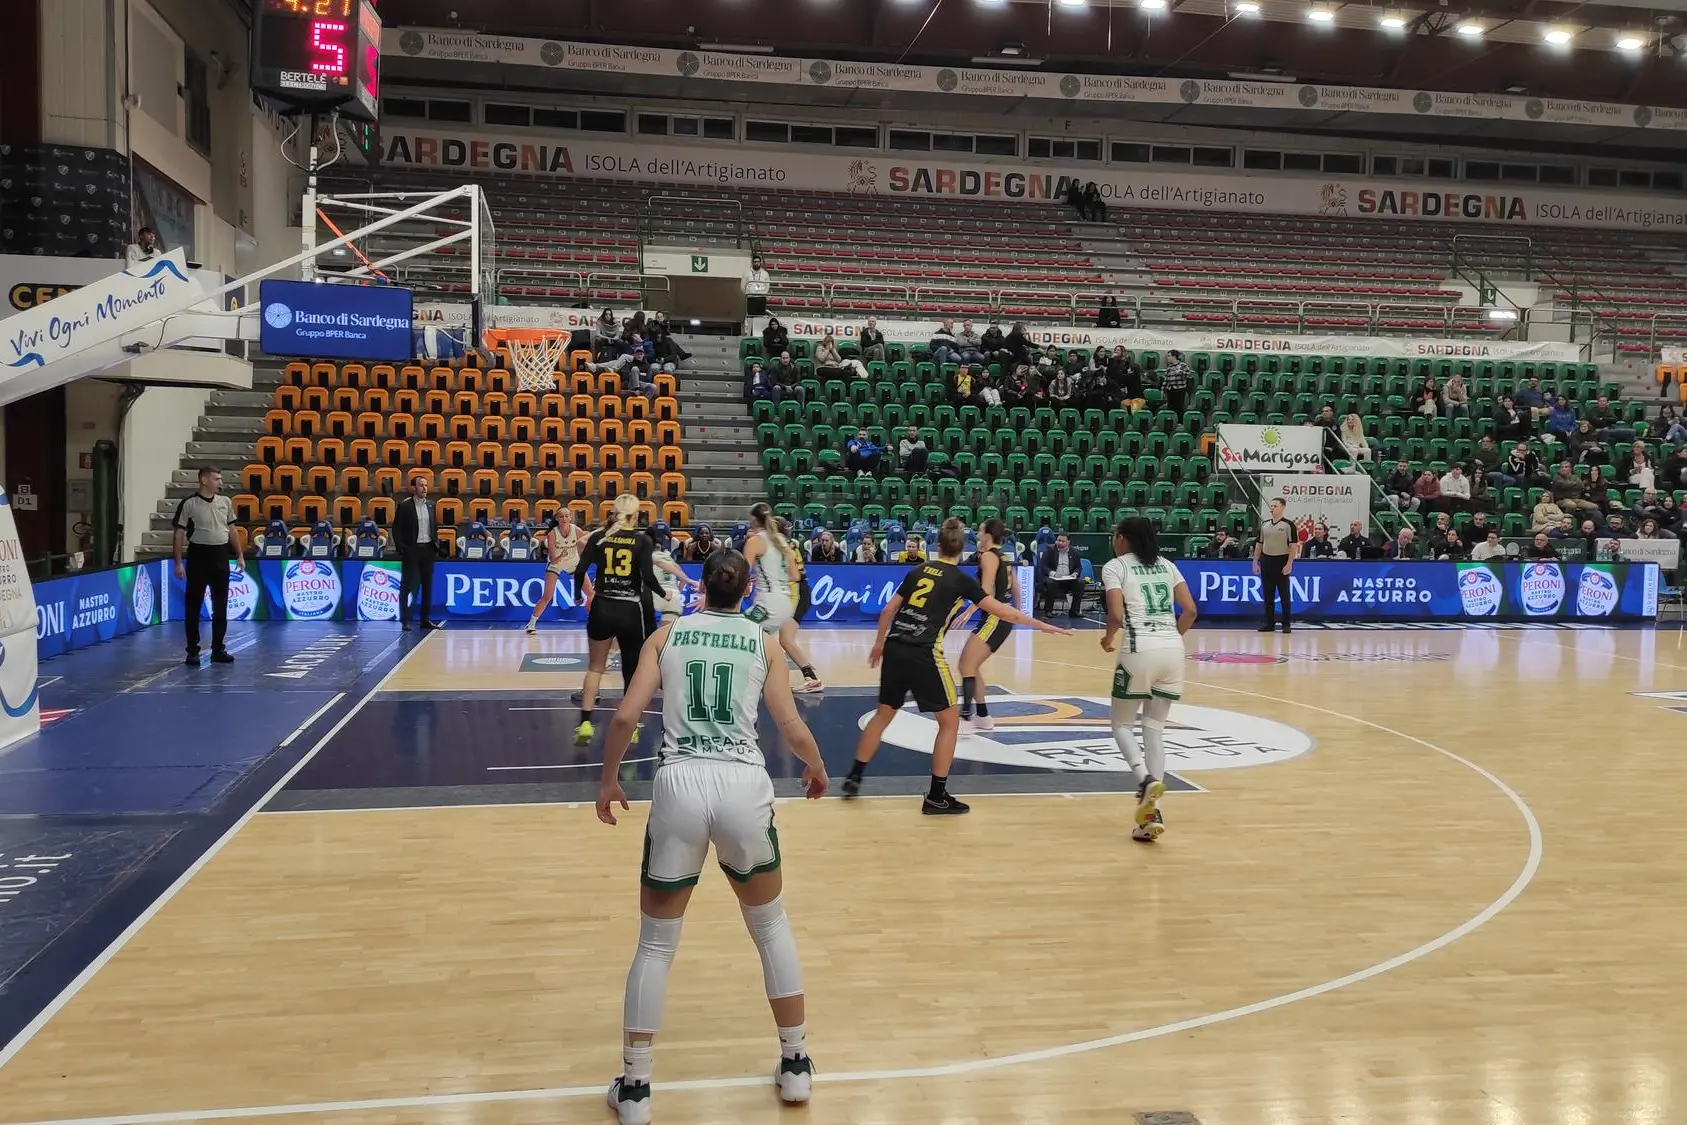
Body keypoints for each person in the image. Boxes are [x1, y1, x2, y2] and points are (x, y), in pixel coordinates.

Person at [596, 550, 825, 1124]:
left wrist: (607, 781)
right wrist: (817, 767)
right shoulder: (763, 642)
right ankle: (795, 1065)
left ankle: (637, 1089)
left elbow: (624, 718)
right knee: (771, 927)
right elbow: (791, 726)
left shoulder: (667, 636)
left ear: (700, 585)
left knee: (655, 944)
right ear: (747, 591)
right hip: (743, 783)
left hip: (680, 782)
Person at [843, 518, 1069, 813]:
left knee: (884, 714)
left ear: (936, 546)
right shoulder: (961, 580)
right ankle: (937, 796)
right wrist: (1041, 625)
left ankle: (854, 777)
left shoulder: (918, 570)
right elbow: (1004, 611)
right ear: (964, 551)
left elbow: (888, 610)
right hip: (925, 653)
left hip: (896, 646)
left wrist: (878, 644)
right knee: (949, 723)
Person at [1100, 516, 1197, 844]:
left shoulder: (1116, 566)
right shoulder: (1168, 565)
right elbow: (1190, 610)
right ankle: (1150, 817)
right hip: (1173, 650)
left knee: (1121, 725)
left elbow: (1115, 615)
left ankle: (1143, 780)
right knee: (1154, 729)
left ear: (1124, 538)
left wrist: (1108, 638)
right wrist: (1173, 637)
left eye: (1116, 535)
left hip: (1139, 648)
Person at [573, 494, 665, 746]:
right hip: (630, 610)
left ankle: (585, 723)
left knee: (595, 668)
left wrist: (577, 596)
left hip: (602, 606)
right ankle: (631, 726)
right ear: (636, 516)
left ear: (613, 513)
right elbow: (648, 577)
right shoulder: (642, 540)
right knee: (630, 671)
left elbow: (579, 570)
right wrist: (664, 593)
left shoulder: (599, 537)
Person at [742, 502, 824, 694]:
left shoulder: (755, 541)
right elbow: (795, 576)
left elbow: (743, 572)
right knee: (772, 641)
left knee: (740, 633)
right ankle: (806, 678)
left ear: (753, 519)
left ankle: (760, 681)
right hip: (786, 600)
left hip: (770, 602)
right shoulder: (782, 541)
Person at [952, 518, 1022, 733]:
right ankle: (982, 716)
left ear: (988, 535)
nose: (977, 534)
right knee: (969, 665)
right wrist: (1016, 613)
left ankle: (966, 718)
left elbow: (985, 590)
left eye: (980, 530)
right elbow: (1017, 589)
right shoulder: (1004, 557)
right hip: (1002, 617)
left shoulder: (989, 557)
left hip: (994, 618)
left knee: (966, 665)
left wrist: (969, 610)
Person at [172, 466, 242, 665]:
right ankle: (192, 650)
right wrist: (178, 563)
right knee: (193, 605)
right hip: (198, 556)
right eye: (216, 479)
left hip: (220, 555)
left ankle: (218, 649)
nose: (220, 482)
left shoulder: (225, 502)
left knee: (221, 606)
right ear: (204, 480)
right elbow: (178, 534)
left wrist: (240, 555)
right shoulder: (189, 504)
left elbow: (232, 529)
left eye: (220, 478)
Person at [525, 507, 592, 634]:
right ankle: (531, 624)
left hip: (573, 562)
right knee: (547, 596)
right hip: (556, 563)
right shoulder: (552, 534)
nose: (564, 519)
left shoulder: (577, 531)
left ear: (570, 518)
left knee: (590, 593)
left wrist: (582, 562)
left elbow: (584, 549)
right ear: (557, 518)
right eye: (561, 516)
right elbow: (552, 558)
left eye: (567, 516)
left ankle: (596, 622)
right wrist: (562, 555)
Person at [393, 473, 441, 632]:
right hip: (412, 550)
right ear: (413, 488)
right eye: (421, 485)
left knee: (427, 587)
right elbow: (397, 530)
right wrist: (402, 548)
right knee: (407, 587)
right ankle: (405, 620)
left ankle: (425, 619)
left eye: (426, 485)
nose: (425, 488)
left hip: (428, 549)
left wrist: (436, 543)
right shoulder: (405, 506)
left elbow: (434, 527)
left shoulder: (432, 505)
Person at [1253, 497, 1298, 633]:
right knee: (1268, 594)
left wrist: (1289, 563)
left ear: (1282, 507)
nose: (1272, 508)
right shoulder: (1265, 524)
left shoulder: (1288, 525)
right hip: (1267, 560)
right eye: (1271, 506)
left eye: (1275, 506)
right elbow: (1259, 544)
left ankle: (1286, 624)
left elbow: (1293, 545)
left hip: (1281, 560)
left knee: (1284, 595)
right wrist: (1255, 561)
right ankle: (1269, 623)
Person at [1039, 533, 1084, 618]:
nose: (1059, 542)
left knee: (1080, 583)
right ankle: (1048, 611)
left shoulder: (1074, 552)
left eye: (1063, 541)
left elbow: (1078, 567)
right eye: (1058, 540)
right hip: (1053, 578)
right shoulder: (1050, 550)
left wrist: (1075, 573)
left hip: (1068, 579)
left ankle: (1074, 611)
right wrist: (1054, 574)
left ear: (1068, 542)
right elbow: (1043, 566)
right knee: (1050, 583)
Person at [1160, 351, 1192, 417]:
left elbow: (1189, 375)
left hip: (1180, 389)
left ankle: (1180, 422)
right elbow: (1166, 380)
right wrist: (1162, 390)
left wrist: (1181, 372)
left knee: (1179, 407)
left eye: (1169, 356)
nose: (1167, 358)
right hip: (1170, 390)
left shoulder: (1183, 365)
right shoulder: (1169, 368)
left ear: (1174, 357)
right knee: (1170, 407)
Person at [742, 254, 772, 321]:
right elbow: (742, 285)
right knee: (750, 317)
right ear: (752, 263)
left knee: (760, 317)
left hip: (761, 298)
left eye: (758, 262)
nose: (756, 263)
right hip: (751, 298)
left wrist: (764, 293)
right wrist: (747, 294)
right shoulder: (746, 273)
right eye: (755, 262)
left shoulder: (765, 273)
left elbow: (767, 285)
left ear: (760, 263)